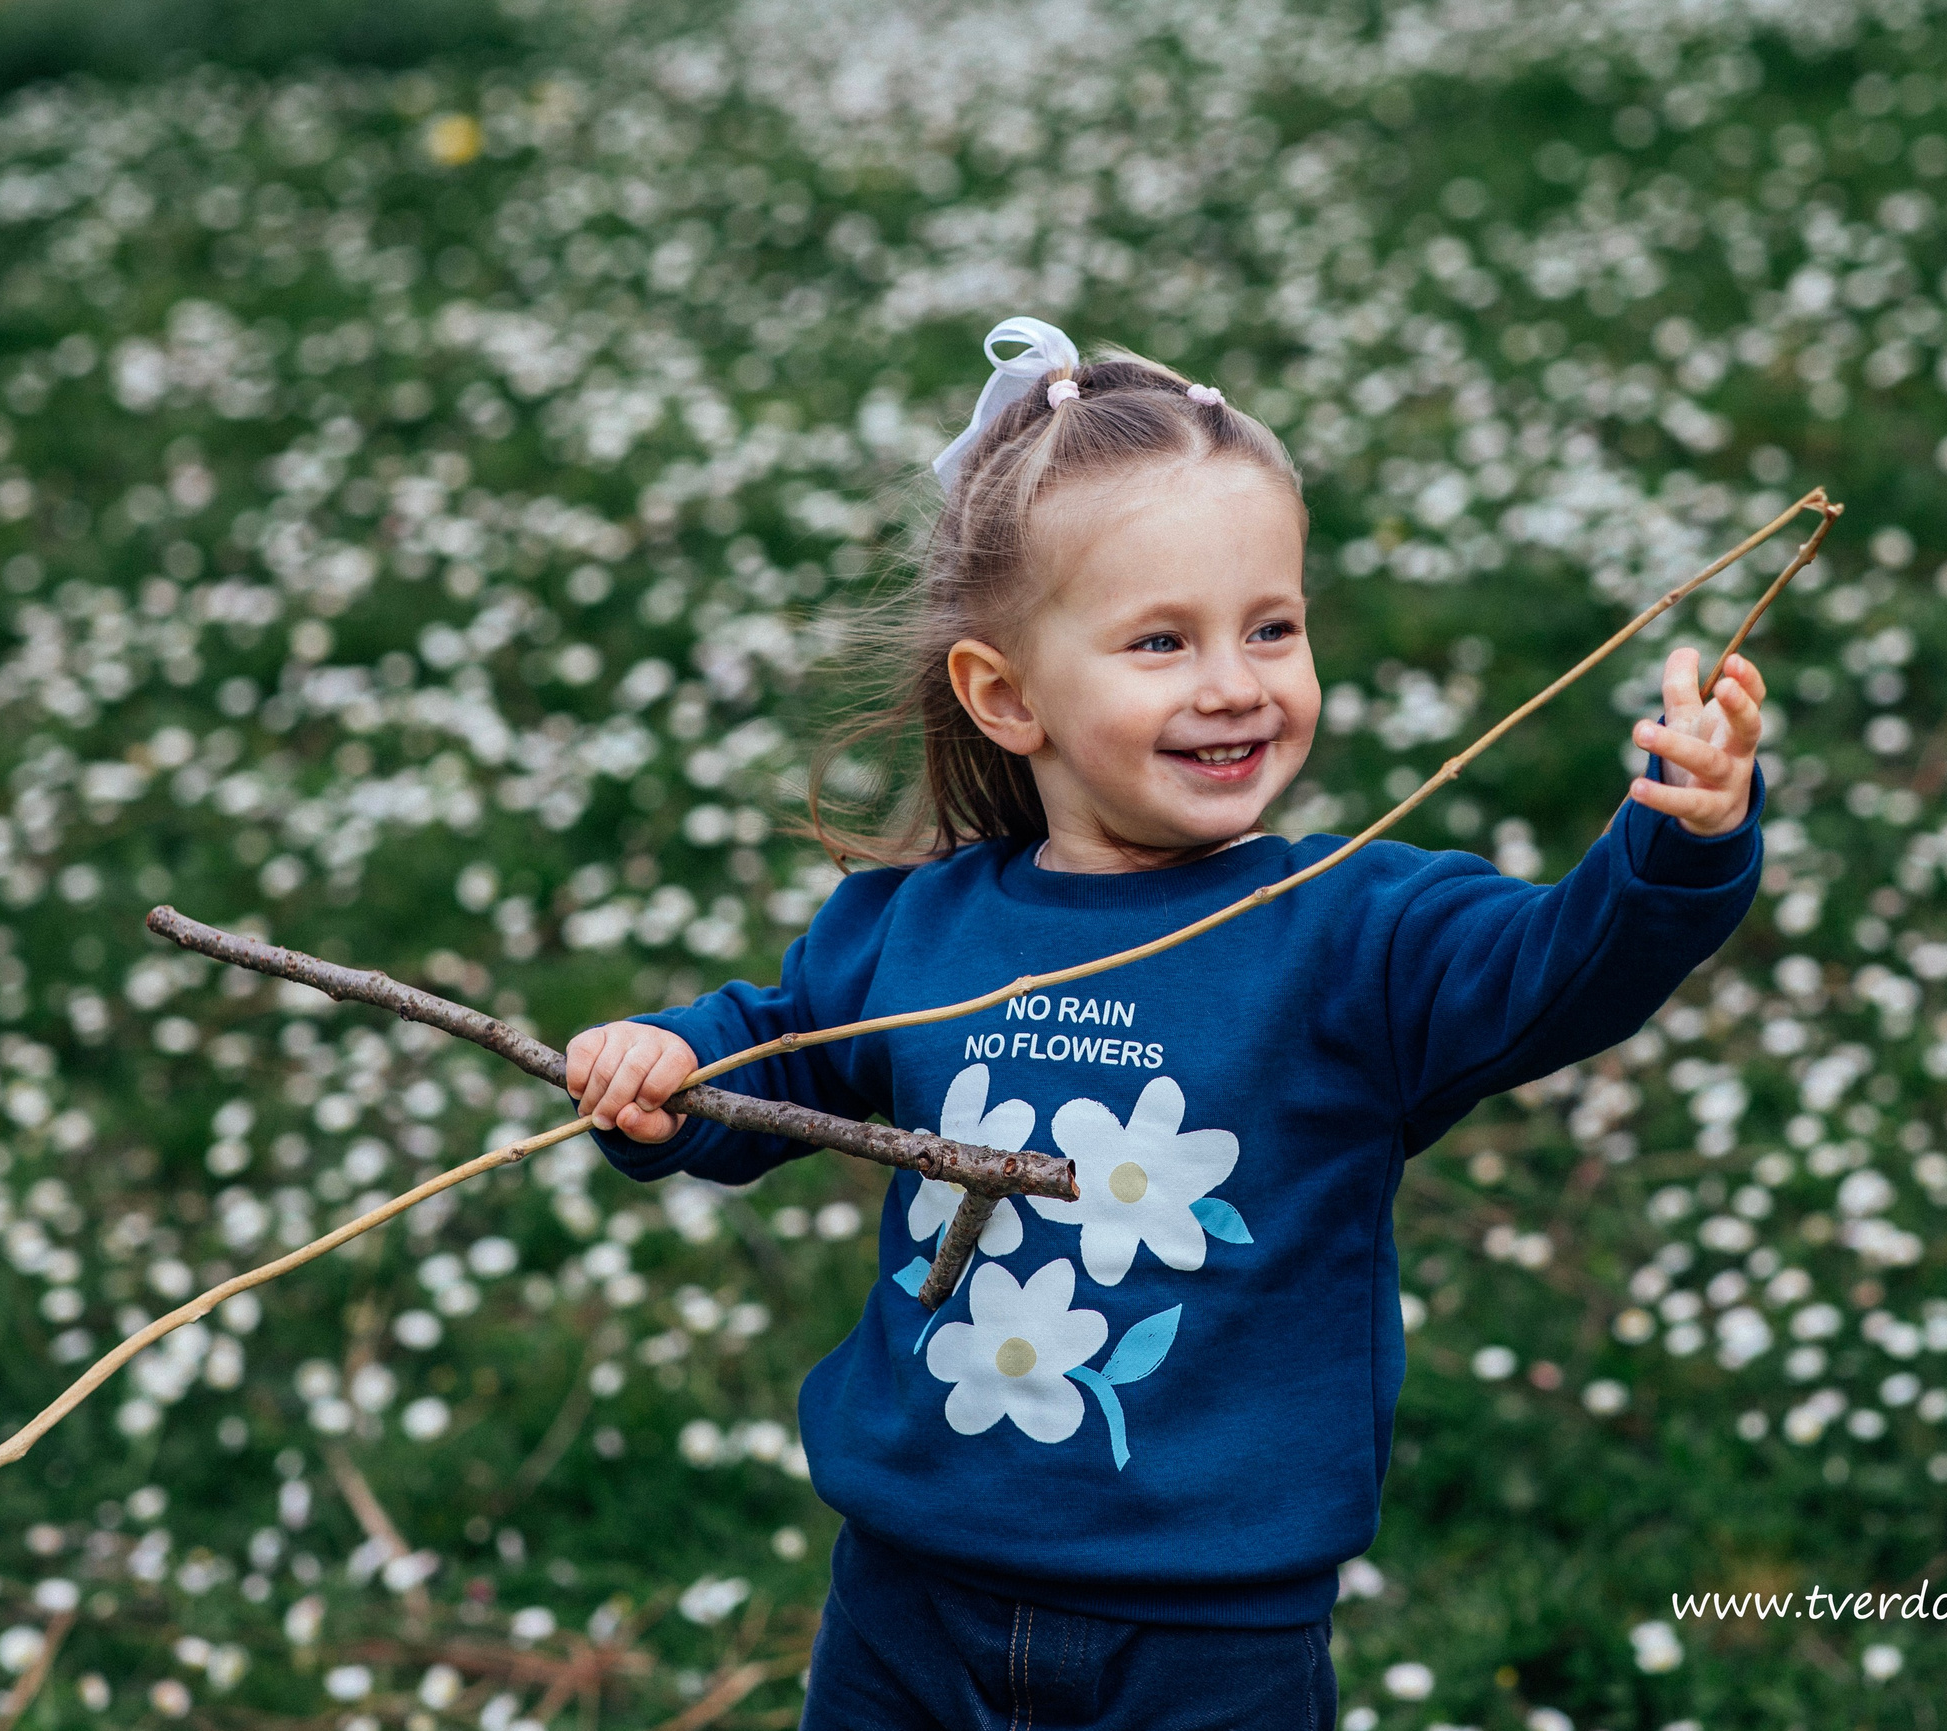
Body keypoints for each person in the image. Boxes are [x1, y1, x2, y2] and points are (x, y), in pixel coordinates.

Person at [562, 317, 1770, 1728]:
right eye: (1161, 642)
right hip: (906, 1601)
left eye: (1273, 627)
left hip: (1207, 1640)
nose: (1232, 684)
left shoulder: (1354, 929)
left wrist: (1676, 846)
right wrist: (670, 1068)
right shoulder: (916, 927)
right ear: (1007, 696)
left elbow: (1563, 965)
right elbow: (772, 1053)